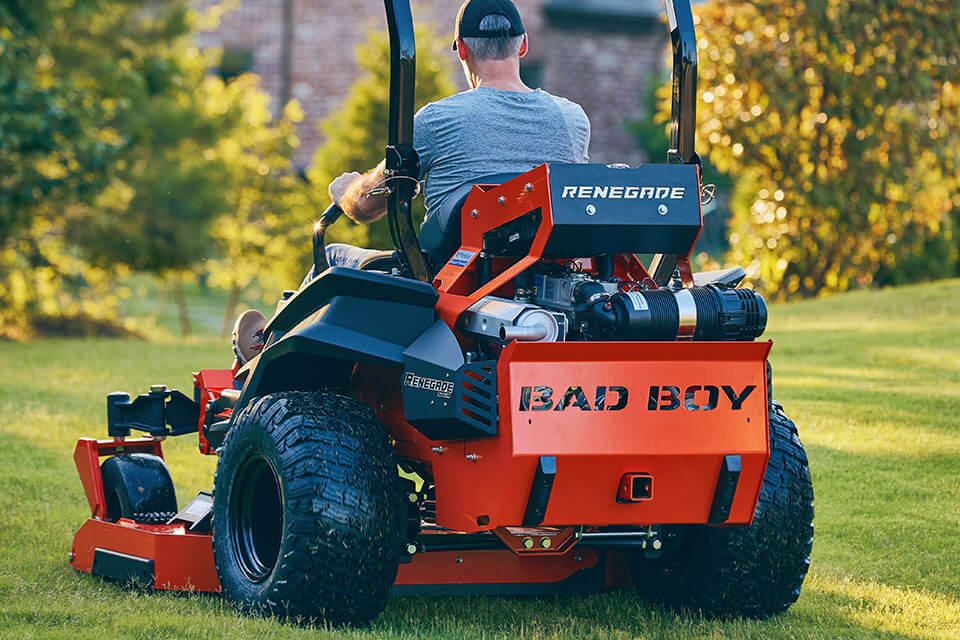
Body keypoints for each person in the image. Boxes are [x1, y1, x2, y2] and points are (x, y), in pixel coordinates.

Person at [232, 0, 591, 366]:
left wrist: (345, 191)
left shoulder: (439, 120)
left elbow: (368, 206)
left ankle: (266, 351)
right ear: (523, 45)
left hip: (450, 283)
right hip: (542, 279)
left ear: (462, 50)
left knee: (336, 254)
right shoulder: (572, 119)